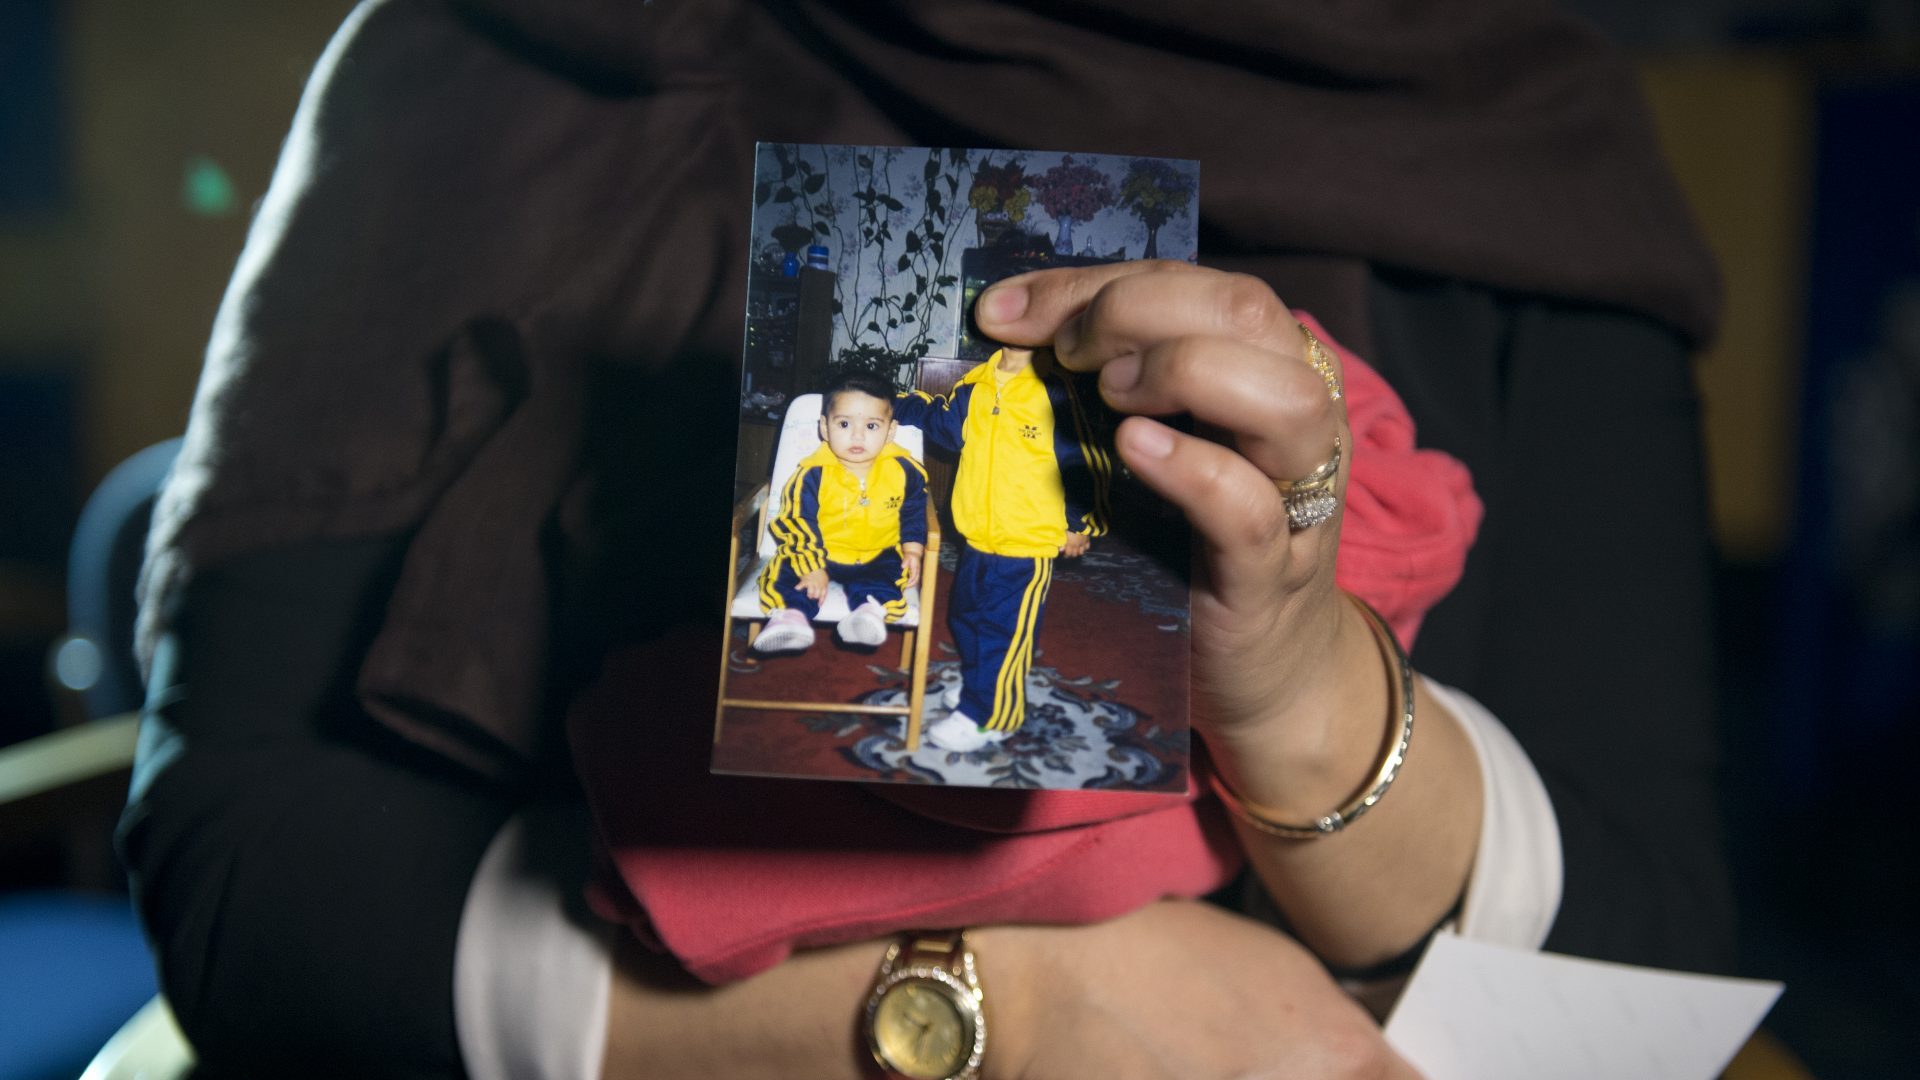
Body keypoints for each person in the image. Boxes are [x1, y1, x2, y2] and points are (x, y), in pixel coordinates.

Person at [118, 2, 1737, 1078]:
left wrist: (1308, 701)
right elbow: (250, 881)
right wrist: (1005, 1017)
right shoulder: (502, 56)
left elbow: (1646, 962)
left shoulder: (1515, 120)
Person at [890, 345, 1109, 750]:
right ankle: (981, 684)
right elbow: (941, 424)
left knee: (1003, 632)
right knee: (966, 617)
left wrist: (1082, 522)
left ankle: (992, 714)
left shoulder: (1054, 391)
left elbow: (1083, 458)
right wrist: (894, 405)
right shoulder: (976, 386)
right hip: (977, 535)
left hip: (1029, 541)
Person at [752, 371, 928, 655]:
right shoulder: (811, 474)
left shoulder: (906, 471)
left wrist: (913, 549)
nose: (857, 435)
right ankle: (791, 618)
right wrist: (813, 566)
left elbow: (914, 511)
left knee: (892, 574)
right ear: (825, 427)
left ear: (890, 431)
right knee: (787, 571)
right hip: (820, 552)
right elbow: (796, 522)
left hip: (876, 552)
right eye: (844, 423)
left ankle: (868, 613)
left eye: (872, 426)